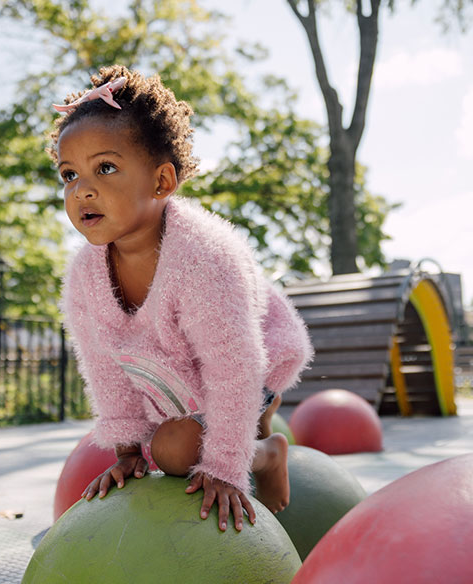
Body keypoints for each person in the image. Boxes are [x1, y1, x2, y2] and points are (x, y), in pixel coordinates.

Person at [51, 65, 313, 532]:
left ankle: (267, 452)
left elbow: (235, 367)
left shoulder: (203, 257)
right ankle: (256, 426)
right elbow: (103, 369)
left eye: (105, 167)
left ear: (162, 182)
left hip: (257, 358)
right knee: (158, 444)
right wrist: (129, 451)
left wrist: (226, 469)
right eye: (69, 174)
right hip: (180, 372)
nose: (82, 189)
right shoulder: (84, 277)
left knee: (173, 451)